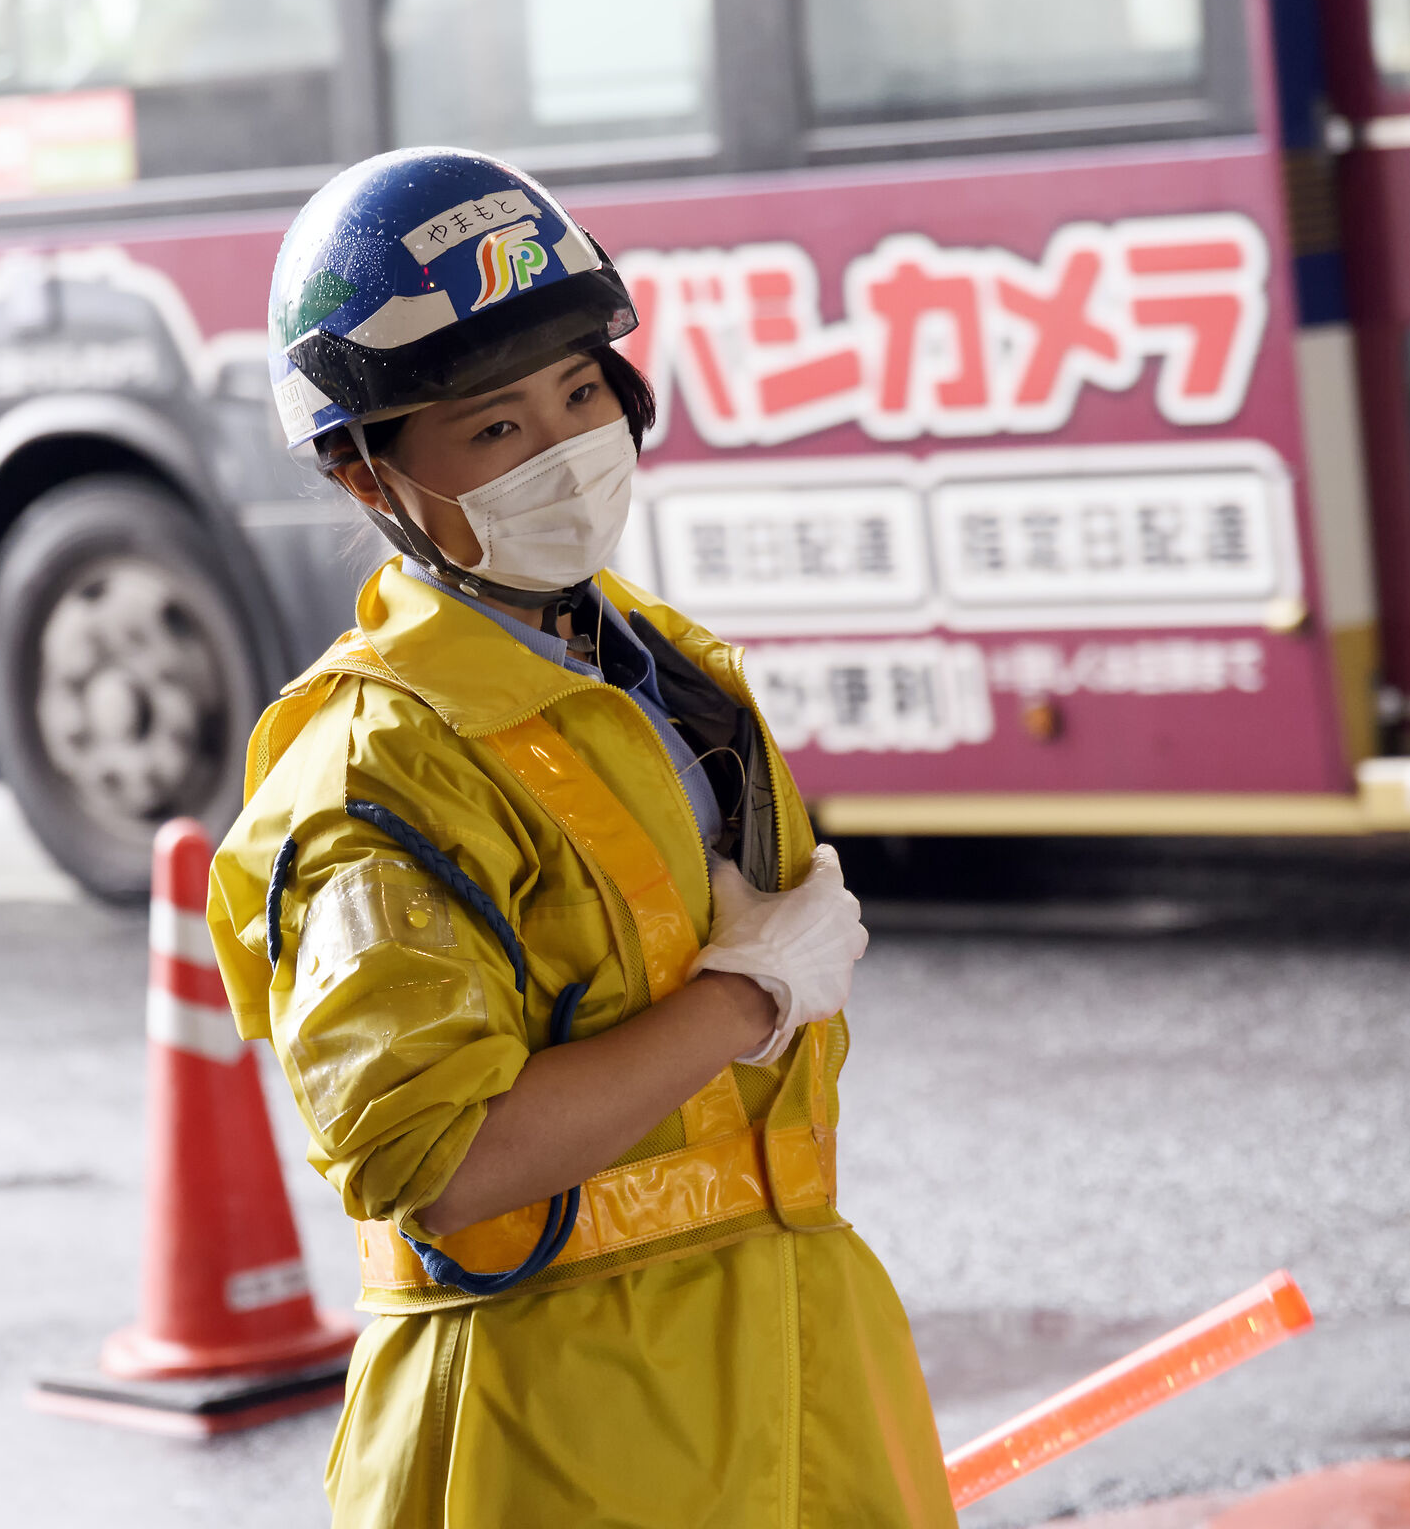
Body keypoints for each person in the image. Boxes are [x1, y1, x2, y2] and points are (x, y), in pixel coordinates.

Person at [206, 147, 957, 1527]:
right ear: (370, 478)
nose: (563, 449)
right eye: (494, 431)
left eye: (578, 392)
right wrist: (749, 995)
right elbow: (443, 1164)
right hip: (554, 1433)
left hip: (798, 1372)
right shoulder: (370, 776)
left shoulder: (663, 671)